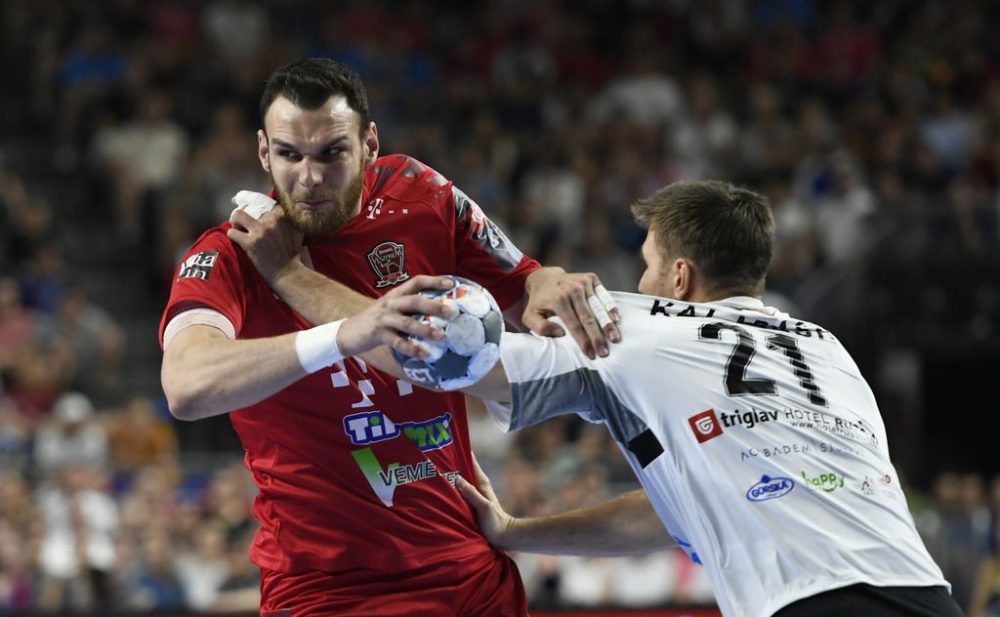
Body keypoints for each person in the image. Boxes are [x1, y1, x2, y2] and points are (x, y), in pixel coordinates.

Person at [276, 180, 963, 617]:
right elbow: (680, 504)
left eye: (648, 260)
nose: (639, 275)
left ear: (680, 276)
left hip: (807, 605)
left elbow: (438, 352)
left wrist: (290, 277)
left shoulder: (629, 325)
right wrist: (519, 533)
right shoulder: (826, 346)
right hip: (928, 594)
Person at [159, 57, 619, 616]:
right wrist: (344, 335)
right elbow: (185, 385)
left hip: (470, 573)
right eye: (289, 155)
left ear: (369, 144)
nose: (309, 177)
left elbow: (524, 282)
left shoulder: (419, 192)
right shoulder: (231, 254)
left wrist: (554, 286)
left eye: (332, 153)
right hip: (329, 591)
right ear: (263, 152)